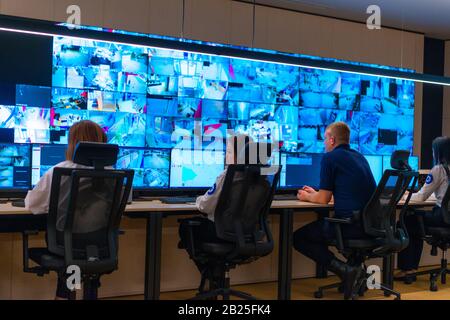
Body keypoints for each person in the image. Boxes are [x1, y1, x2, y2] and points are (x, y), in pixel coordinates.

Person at [25, 120, 107, 300]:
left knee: (72, 255)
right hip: (99, 247)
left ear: (73, 143)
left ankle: (68, 294)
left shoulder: (59, 170)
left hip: (67, 247)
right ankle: (80, 292)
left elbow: (32, 205)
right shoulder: (113, 173)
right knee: (77, 256)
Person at [293, 122, 376, 299]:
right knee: (317, 230)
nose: (324, 143)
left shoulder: (330, 158)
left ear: (332, 139)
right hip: (368, 225)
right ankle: (351, 271)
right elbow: (348, 192)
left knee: (298, 238)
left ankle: (345, 271)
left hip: (347, 226)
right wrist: (317, 193)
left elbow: (323, 200)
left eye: (325, 139)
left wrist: (306, 197)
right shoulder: (359, 157)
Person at [395, 136, 450, 283]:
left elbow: (421, 198)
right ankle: (410, 268)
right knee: (415, 221)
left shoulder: (439, 169)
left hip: (442, 217)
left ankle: (408, 269)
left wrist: (403, 196)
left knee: (406, 220)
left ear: (438, 152)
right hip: (447, 217)